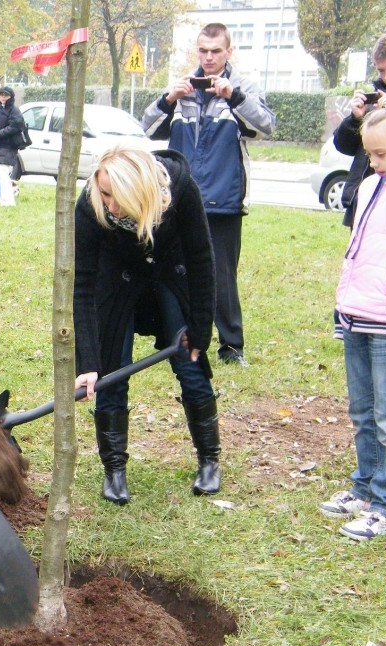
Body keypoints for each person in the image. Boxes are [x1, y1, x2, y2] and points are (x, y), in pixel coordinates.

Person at [73, 144, 220, 505]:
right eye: (104, 193)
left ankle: (209, 461)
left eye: (116, 196)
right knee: (111, 370)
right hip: (117, 280)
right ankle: (114, 471)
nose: (108, 204)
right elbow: (83, 284)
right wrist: (89, 363)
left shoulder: (179, 189)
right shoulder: (90, 206)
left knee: (190, 364)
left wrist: (200, 328)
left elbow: (202, 258)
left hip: (171, 273)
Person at [143, 22, 276, 368]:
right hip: (178, 198)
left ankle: (232, 346)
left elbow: (266, 125)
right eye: (203, 50)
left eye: (216, 51)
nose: (209, 57)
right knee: (172, 269)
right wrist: (168, 99)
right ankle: (174, 338)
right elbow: (146, 128)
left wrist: (233, 96)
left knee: (221, 276)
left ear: (228, 52)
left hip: (223, 200)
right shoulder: (183, 85)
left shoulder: (242, 87)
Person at [319, 104, 386, 541]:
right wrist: (343, 305)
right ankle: (365, 488)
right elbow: (356, 250)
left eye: (380, 153)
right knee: (361, 410)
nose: (372, 162)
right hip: (357, 313)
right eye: (369, 154)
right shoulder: (372, 183)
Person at [334, 32, 386, 229]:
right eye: (381, 70)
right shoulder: (374, 97)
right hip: (367, 195)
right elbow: (342, 146)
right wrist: (356, 118)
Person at [0, 85, 24, 207]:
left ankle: (8, 201)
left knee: (3, 173)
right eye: (1, 95)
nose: (3, 97)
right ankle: (4, 200)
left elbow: (14, 127)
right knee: (1, 173)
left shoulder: (14, 110)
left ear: (11, 96)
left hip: (9, 145)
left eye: (6, 95)